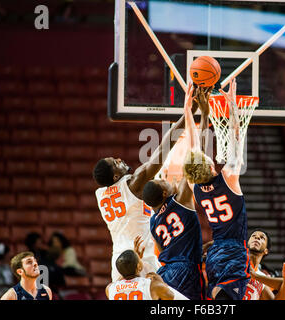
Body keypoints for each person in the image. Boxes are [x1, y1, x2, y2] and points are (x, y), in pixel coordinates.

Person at [93, 90, 200, 282]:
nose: (119, 158)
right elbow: (163, 149)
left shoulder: (101, 194)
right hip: (141, 257)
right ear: (116, 175)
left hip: (118, 260)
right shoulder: (134, 184)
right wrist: (188, 114)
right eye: (115, 162)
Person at [182, 78, 250, 300]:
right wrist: (232, 106)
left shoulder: (196, 188)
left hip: (214, 253)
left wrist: (188, 111)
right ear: (210, 165)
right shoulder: (228, 178)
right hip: (233, 252)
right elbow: (236, 139)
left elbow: (192, 146)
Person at [142, 83, 209, 300]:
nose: (168, 180)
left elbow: (161, 251)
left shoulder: (153, 220)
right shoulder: (180, 200)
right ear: (163, 194)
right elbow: (197, 157)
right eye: (164, 182)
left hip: (165, 272)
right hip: (185, 271)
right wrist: (202, 115)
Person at [105, 236, 188, 300]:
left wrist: (136, 260)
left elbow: (124, 276)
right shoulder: (153, 286)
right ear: (139, 267)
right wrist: (161, 281)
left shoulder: (110, 289)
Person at [243, 229, 285, 300]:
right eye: (253, 236)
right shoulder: (234, 262)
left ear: (266, 250)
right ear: (247, 244)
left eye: (262, 238)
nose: (257, 238)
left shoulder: (262, 278)